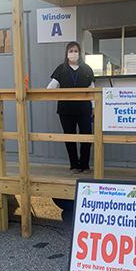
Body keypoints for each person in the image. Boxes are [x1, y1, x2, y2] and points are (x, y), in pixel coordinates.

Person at [47, 41, 94, 173]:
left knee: (87, 137)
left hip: (84, 109)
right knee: (69, 137)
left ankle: (84, 165)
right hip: (66, 110)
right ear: (67, 54)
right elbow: (50, 88)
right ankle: (74, 165)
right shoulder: (61, 69)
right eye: (71, 51)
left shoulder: (87, 69)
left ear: (80, 53)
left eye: (76, 51)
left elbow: (92, 90)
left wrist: (94, 107)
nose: (73, 53)